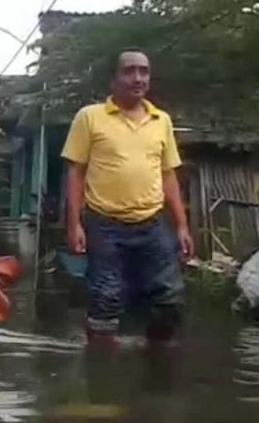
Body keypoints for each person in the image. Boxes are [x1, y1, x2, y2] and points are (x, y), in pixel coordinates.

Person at [61, 48, 194, 349]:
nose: (137, 78)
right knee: (106, 298)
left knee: (169, 300)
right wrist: (74, 225)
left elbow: (169, 175)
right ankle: (102, 374)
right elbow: (75, 173)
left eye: (144, 71)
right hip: (104, 223)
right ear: (114, 79)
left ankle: (155, 367)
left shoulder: (162, 121)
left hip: (153, 223)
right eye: (129, 71)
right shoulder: (90, 117)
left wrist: (182, 226)